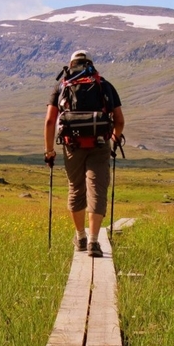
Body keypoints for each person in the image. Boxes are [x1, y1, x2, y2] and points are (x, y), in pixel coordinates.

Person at [44, 50, 125, 257]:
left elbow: (50, 121)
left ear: (71, 64)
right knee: (97, 190)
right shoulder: (104, 85)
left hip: (72, 146)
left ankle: (80, 237)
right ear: (90, 63)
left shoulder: (62, 86)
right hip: (100, 145)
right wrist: (115, 137)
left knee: (76, 189)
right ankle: (94, 242)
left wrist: (49, 151)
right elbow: (119, 119)